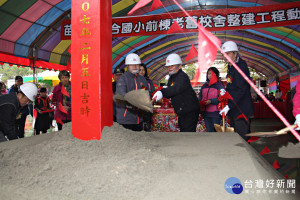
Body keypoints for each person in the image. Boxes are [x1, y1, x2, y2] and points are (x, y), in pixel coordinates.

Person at [152, 53, 200, 132]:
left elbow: (176, 89)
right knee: (183, 130)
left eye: (172, 65)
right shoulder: (172, 77)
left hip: (189, 110)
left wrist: (162, 92)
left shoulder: (182, 76)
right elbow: (171, 89)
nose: (170, 68)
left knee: (188, 133)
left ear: (180, 66)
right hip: (182, 110)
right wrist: (165, 89)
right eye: (168, 66)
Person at [219, 41, 253, 140]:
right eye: (224, 54)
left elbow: (241, 89)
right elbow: (232, 85)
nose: (225, 56)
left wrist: (229, 106)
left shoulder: (240, 66)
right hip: (235, 108)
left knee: (242, 139)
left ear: (235, 53)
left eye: (228, 53)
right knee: (236, 137)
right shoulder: (231, 66)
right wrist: (225, 93)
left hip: (241, 109)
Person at [116, 53, 149, 131]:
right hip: (126, 119)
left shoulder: (142, 79)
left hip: (139, 119)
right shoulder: (123, 79)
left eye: (136, 64)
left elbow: (147, 93)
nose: (135, 66)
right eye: (132, 64)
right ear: (127, 66)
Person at [198, 67, 224, 132]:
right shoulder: (204, 86)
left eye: (212, 74)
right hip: (205, 113)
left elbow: (222, 98)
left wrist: (211, 101)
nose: (210, 75)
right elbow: (200, 97)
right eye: (209, 74)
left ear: (216, 75)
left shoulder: (219, 86)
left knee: (216, 132)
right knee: (209, 132)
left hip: (215, 113)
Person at [139, 64, 155, 131]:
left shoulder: (149, 81)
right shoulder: (134, 80)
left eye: (143, 70)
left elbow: (153, 92)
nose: (142, 72)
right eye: (140, 70)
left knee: (147, 124)